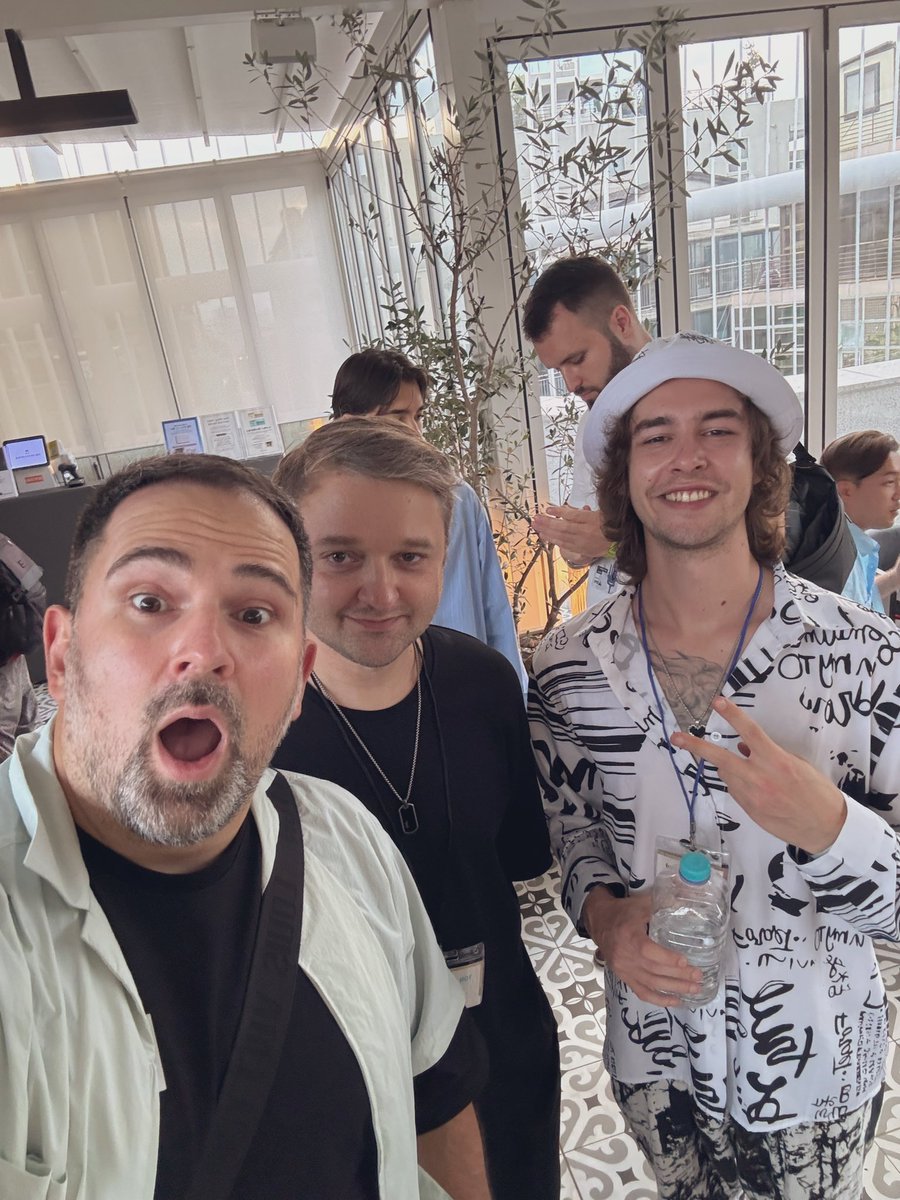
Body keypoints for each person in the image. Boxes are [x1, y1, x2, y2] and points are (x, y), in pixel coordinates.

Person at [0, 454, 492, 1200]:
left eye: (254, 614)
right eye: (149, 602)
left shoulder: (344, 838)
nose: (204, 652)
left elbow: (436, 1092)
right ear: (62, 655)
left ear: (299, 679)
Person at [530, 332, 900, 1199]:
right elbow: (573, 831)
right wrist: (605, 918)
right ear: (624, 475)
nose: (686, 457)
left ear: (763, 464)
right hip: (655, 1058)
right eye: (656, 435)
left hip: (811, 1070)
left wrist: (831, 829)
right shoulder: (568, 667)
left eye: (717, 431)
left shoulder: (870, 658)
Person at [272, 419, 561, 1200]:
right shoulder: (255, 729)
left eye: (410, 557)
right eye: (341, 557)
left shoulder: (484, 684)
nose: (381, 592)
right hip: (347, 1077)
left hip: (503, 1041)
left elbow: (518, 858)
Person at [331, 347, 527, 691]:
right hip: (368, 693)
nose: (414, 431)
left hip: (463, 684)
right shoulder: (326, 509)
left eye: (418, 416)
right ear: (349, 423)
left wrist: (514, 693)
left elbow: (493, 606)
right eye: (397, 417)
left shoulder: (456, 497)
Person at [522, 255, 650, 601]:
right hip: (609, 625)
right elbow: (582, 547)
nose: (571, 384)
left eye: (577, 360)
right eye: (558, 369)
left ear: (621, 322)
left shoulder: (692, 408)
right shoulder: (592, 422)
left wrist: (614, 541)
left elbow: (731, 538)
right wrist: (575, 544)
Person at [821, 429, 900, 611]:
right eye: (889, 482)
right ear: (845, 491)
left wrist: (894, 578)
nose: (898, 494)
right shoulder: (838, 564)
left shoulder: (838, 540)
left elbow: (855, 603)